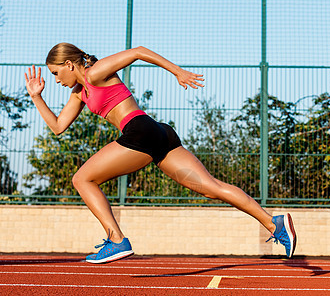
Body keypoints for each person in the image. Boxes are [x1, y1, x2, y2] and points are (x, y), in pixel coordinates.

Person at [25, 43, 296, 263]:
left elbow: (138, 51)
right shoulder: (78, 93)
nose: (56, 80)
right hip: (158, 134)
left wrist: (177, 71)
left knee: (82, 179)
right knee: (211, 187)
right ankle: (275, 223)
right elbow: (59, 127)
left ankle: (117, 240)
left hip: (140, 131)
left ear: (69, 65)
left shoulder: (95, 73)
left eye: (56, 73)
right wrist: (37, 97)